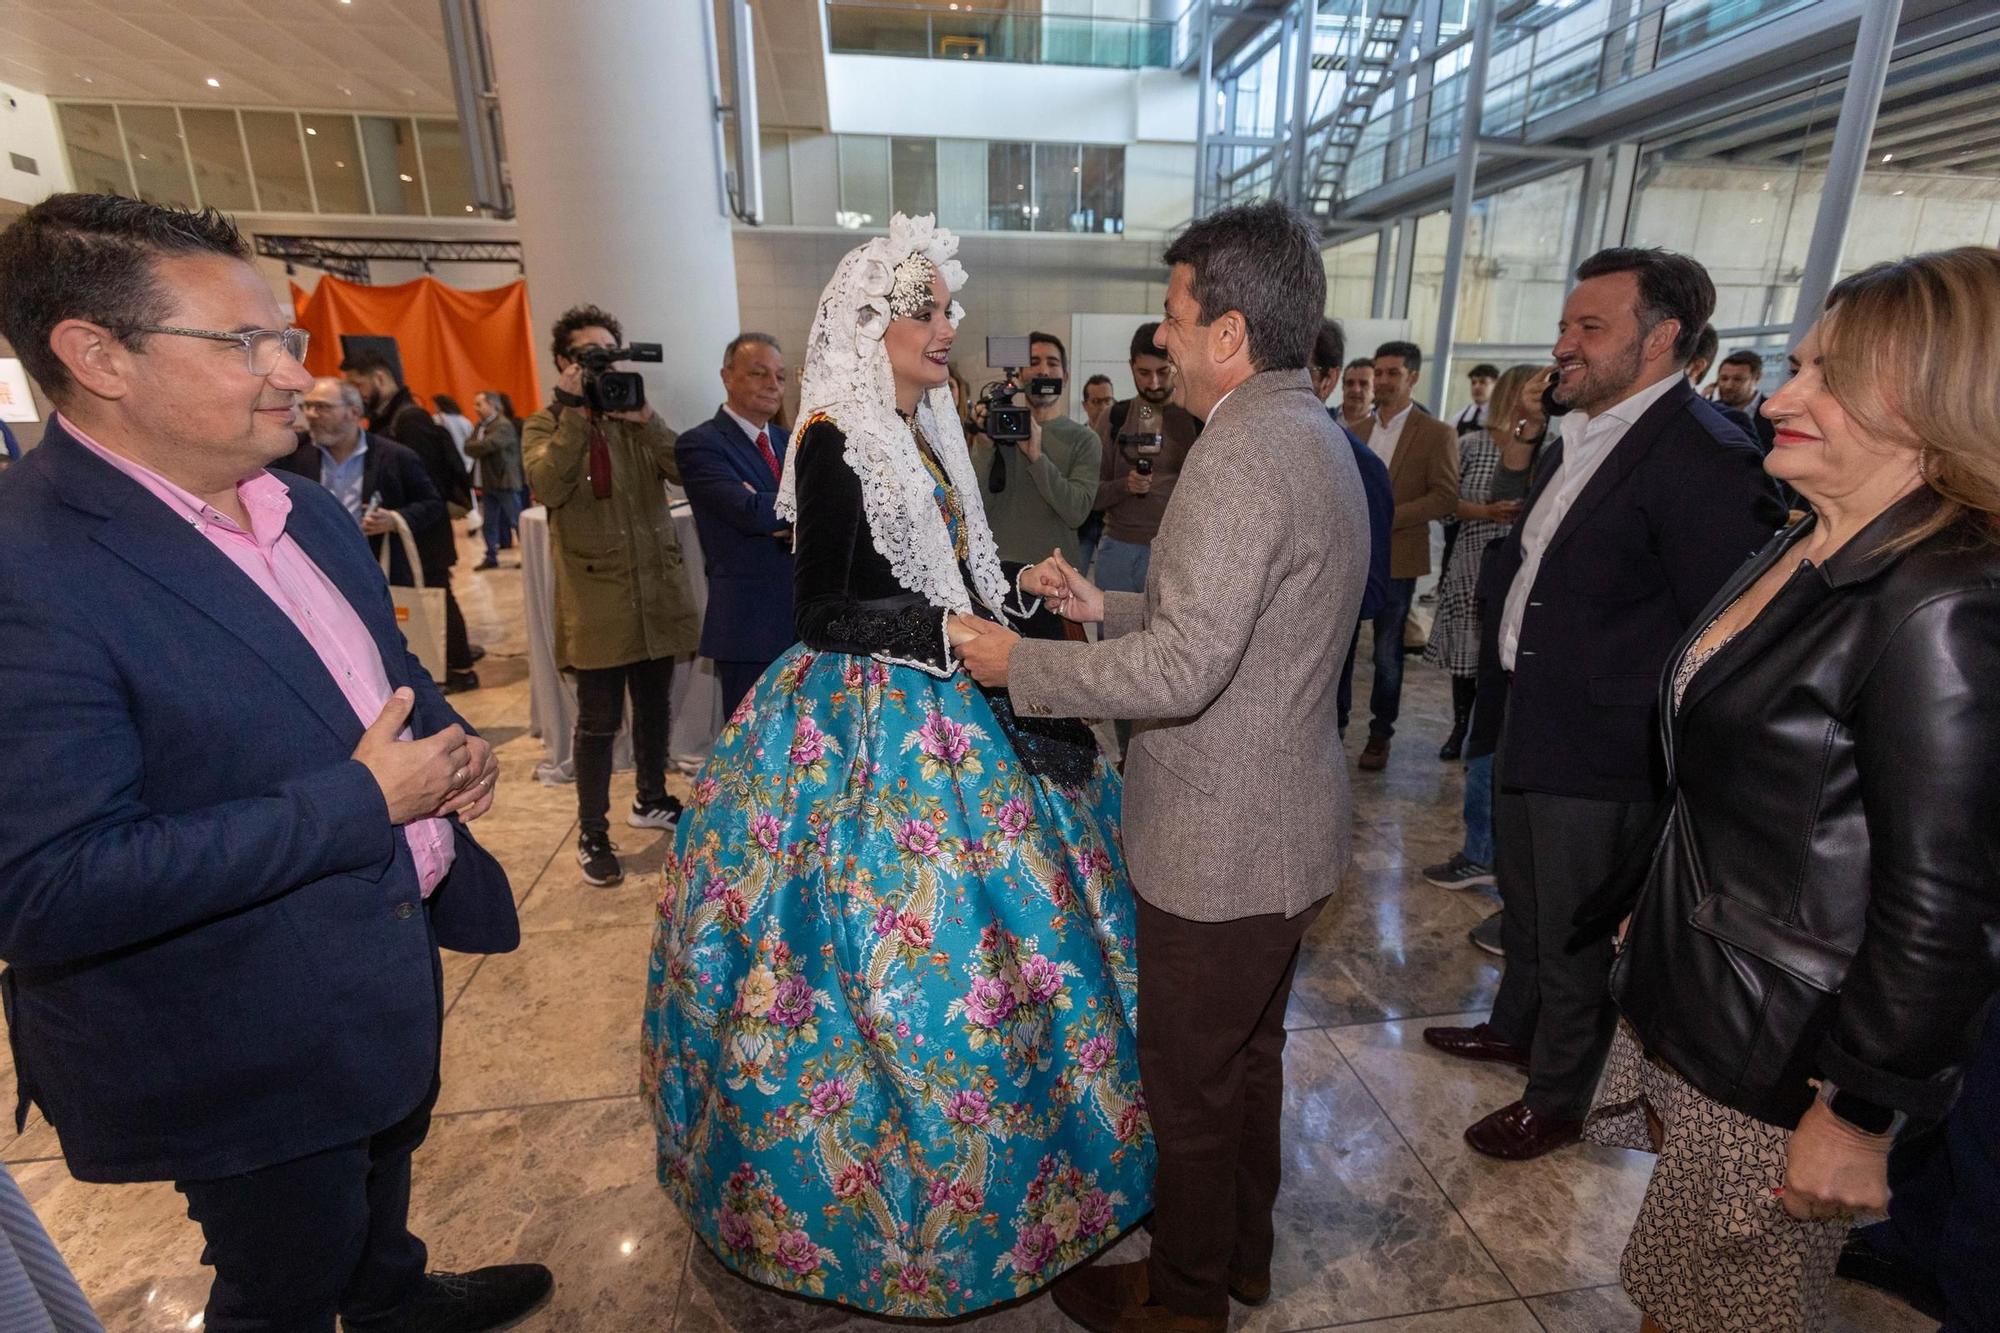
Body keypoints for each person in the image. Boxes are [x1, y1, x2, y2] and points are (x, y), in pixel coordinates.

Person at [0, 192, 546, 1333]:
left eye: (287, 340)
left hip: (372, 965)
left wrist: (447, 747)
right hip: (233, 1023)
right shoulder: (30, 569)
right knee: (282, 1277)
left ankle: (393, 1300)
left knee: (374, 1187)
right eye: (244, 344)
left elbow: (378, 665)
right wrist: (364, 799)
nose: (293, 375)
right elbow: (49, 887)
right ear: (96, 356)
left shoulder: (301, 509)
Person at [642, 213, 1153, 1318]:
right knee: (859, 959)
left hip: (953, 690)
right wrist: (944, 639)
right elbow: (822, 606)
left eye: (944, 306)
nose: (945, 323)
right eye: (923, 307)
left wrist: (1022, 589)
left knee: (1033, 937)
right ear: (868, 323)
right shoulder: (832, 434)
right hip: (866, 723)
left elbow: (950, 571)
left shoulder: (923, 432)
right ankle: (876, 1210)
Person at [957, 200, 1369, 1333]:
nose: (1162, 341)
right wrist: (1108, 605)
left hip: (1219, 850)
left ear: (1228, 332)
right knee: (1243, 1066)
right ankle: (1236, 1255)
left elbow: (1186, 671)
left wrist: (1015, 666)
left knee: (1186, 1091)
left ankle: (1184, 1308)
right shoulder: (1305, 430)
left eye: (1176, 317)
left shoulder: (1239, 453)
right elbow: (1246, 616)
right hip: (1284, 830)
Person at [1575, 246, 2000, 1333]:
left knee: (1722, 1306)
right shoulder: (1806, 536)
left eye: (1825, 377)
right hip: (1708, 979)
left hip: (1784, 1048)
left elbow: (1942, 905)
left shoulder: (1938, 601)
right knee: (1677, 1287)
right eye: (1796, 367)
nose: (1776, 397)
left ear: (1935, 397)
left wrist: (1855, 1113)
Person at [1421, 246, 1783, 1161]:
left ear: (1661, 339)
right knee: (1528, 901)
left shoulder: (1705, 455)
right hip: (1526, 713)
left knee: (1577, 928)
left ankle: (1559, 1095)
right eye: (1564, 325)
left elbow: (1727, 634)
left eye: (1591, 327)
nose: (1565, 344)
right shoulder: (1579, 430)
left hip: (1604, 747)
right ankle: (1514, 1026)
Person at [521, 304, 698, 887]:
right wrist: (575, 413)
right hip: (596, 599)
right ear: (563, 363)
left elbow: (682, 467)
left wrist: (645, 418)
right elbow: (549, 482)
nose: (598, 366)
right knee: (596, 723)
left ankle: (651, 797)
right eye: (586, 355)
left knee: (652, 706)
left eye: (606, 354)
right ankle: (592, 830)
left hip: (653, 594)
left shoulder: (633, 418)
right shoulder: (545, 425)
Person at [1421, 366, 1551, 892]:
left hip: (1522, 589)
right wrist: (1486, 509)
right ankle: (1482, 849)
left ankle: (1488, 856)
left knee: (1494, 727)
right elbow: (1449, 502)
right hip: (1479, 563)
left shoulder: (1558, 448)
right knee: (1472, 683)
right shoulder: (1474, 443)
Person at [341, 348, 479, 693]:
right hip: (407, 535)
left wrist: (399, 515)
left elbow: (428, 485)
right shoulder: (390, 418)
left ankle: (460, 669)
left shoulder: (410, 420)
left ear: (379, 378)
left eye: (357, 385)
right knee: (433, 600)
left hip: (423, 535)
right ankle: (449, 666)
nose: (356, 394)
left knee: (437, 601)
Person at [674, 331, 797, 717]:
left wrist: (775, 511)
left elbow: (780, 509)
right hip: (750, 625)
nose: (772, 385)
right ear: (727, 376)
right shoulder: (701, 444)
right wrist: (785, 512)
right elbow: (746, 511)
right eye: (759, 374)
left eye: (779, 376)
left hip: (802, 621)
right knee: (749, 751)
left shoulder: (789, 440)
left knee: (803, 748)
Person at [1357, 340, 1458, 771]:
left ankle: (1381, 733)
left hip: (1398, 555)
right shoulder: (1357, 430)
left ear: (1413, 377)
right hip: (1352, 556)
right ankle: (1335, 725)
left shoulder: (1435, 433)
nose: (1382, 380)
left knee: (1386, 651)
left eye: (1392, 373)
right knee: (1337, 648)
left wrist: (1387, 515)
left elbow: (1446, 496)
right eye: (1378, 372)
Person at [275, 378, 454, 596]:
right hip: (315, 572)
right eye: (307, 406)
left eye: (322, 407)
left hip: (376, 570)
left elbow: (433, 503)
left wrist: (395, 519)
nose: (311, 414)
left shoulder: (395, 457)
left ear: (354, 412)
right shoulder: (292, 455)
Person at [1309, 322, 1391, 737]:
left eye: (1300, 374)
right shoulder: (1238, 454)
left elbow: (1373, 592)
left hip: (1313, 702)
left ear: (1328, 380)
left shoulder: (1359, 466)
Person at [970, 330, 1102, 568]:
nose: (1043, 370)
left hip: (1057, 577)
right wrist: (984, 444)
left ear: (1065, 376)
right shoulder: (997, 431)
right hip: (1001, 573)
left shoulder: (1085, 440)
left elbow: (1077, 512)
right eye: (1033, 363)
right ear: (1020, 376)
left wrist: (1036, 456)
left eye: (1052, 363)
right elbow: (973, 504)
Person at [1091, 321, 1201, 596]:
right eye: (1144, 373)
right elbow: (1090, 494)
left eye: (1163, 372)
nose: (1154, 383)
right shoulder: (1113, 418)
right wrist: (1124, 486)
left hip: (1176, 552)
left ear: (1175, 364)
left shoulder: (1197, 419)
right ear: (1131, 367)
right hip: (1118, 549)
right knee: (1113, 638)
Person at [464, 390, 524, 569]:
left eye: (479, 404)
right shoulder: (480, 426)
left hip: (503, 482)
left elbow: (488, 445)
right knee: (489, 523)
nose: (475, 408)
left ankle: (527, 554)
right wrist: (477, 446)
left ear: (492, 405)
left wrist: (477, 446)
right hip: (488, 484)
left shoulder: (503, 425)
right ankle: (491, 556)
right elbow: (468, 446)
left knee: (516, 521)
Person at [1714, 348, 1777, 453]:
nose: (1728, 386)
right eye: (1724, 378)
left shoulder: (1773, 416)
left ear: (1756, 378)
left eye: (1738, 379)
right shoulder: (1709, 410)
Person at [431, 392, 475, 473]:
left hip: (448, 463)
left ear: (439, 406)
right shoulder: (464, 420)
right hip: (468, 461)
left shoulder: (437, 419)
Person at [1454, 362, 1497, 435]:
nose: (1476, 387)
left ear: (1496, 385)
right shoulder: (1459, 416)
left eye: (1483, 382)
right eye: (1473, 383)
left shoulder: (1501, 416)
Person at [1336, 356, 1374, 438]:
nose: (1356, 389)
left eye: (1363, 384)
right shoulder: (1326, 417)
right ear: (1343, 387)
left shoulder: (1378, 429)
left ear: (1375, 389)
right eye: (1350, 383)